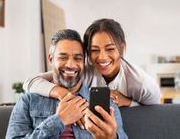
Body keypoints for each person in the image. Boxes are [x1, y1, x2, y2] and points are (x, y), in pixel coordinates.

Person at [6, 29, 128, 139]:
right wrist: (59, 120)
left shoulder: (107, 104)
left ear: (84, 62)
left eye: (78, 58)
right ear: (51, 59)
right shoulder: (28, 101)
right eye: (63, 57)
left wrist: (112, 137)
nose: (70, 64)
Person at [23, 18, 161, 107]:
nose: (102, 57)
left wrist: (127, 102)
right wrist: (63, 93)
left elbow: (155, 109)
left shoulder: (140, 82)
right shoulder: (84, 72)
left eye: (110, 49)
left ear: (122, 47)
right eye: (94, 50)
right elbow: (30, 82)